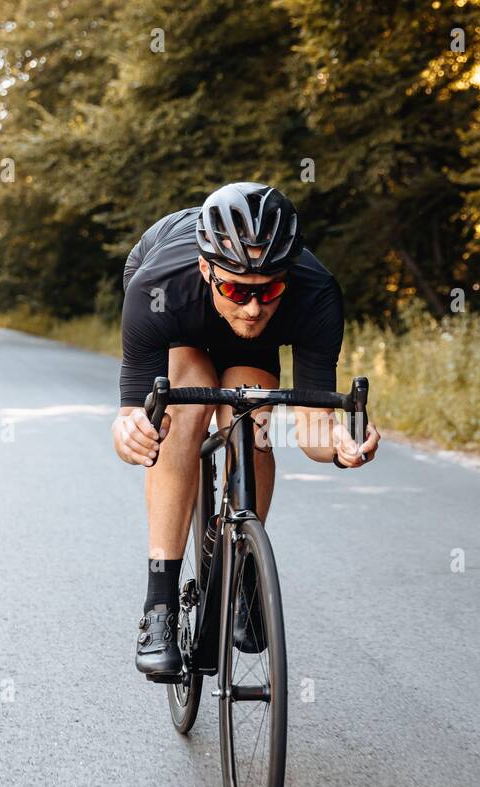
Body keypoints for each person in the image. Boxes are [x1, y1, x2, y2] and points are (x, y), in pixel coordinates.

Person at [113, 182, 380, 678]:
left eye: (269, 290)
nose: (254, 307)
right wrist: (133, 436)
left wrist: (342, 447)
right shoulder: (159, 284)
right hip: (181, 316)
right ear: (206, 269)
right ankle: (160, 606)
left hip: (251, 347)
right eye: (238, 290)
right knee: (183, 414)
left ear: (286, 278)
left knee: (253, 420)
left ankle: (243, 566)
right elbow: (131, 421)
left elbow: (313, 429)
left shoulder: (316, 292)